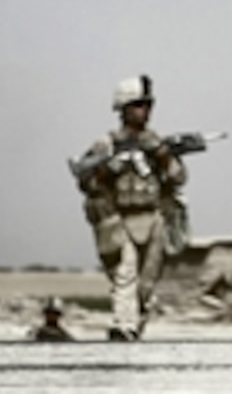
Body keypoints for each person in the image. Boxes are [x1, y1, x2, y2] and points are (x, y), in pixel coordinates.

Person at [73, 75, 188, 341]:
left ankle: (134, 326)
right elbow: (85, 180)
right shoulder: (107, 144)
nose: (144, 111)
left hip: (153, 218)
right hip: (119, 220)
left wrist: (162, 154)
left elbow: (178, 177)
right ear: (123, 109)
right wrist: (110, 168)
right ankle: (123, 325)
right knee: (125, 274)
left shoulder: (156, 142)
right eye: (138, 105)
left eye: (147, 105)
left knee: (147, 283)